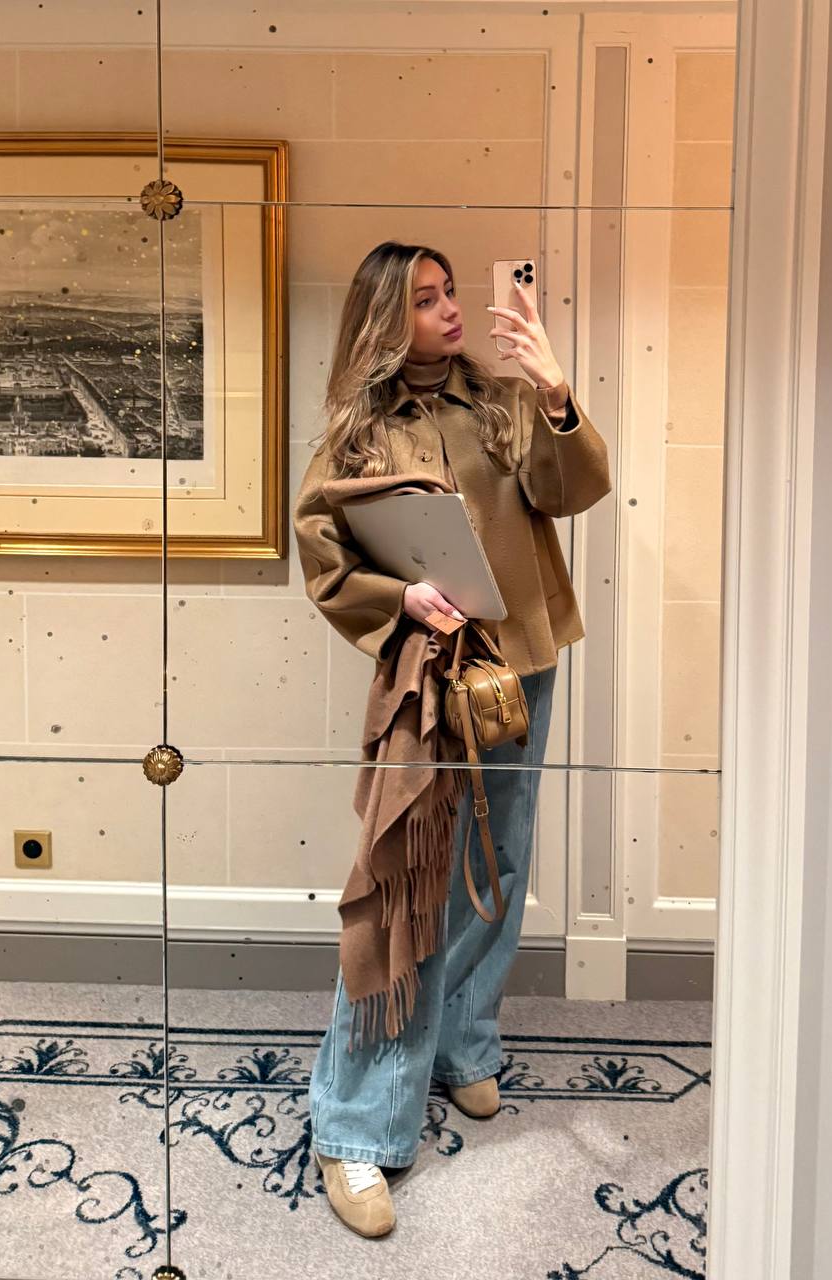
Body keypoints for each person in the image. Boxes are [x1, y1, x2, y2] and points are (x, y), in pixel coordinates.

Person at [291, 240, 612, 1238]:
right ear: (387, 318)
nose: (449, 310)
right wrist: (400, 598)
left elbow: (568, 491)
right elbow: (323, 551)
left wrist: (553, 391)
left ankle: (460, 1040)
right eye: (425, 299)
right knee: (405, 879)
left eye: (447, 293)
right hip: (425, 679)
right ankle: (354, 1124)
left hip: (518, 663)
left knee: (498, 858)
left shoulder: (502, 402)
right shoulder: (358, 429)